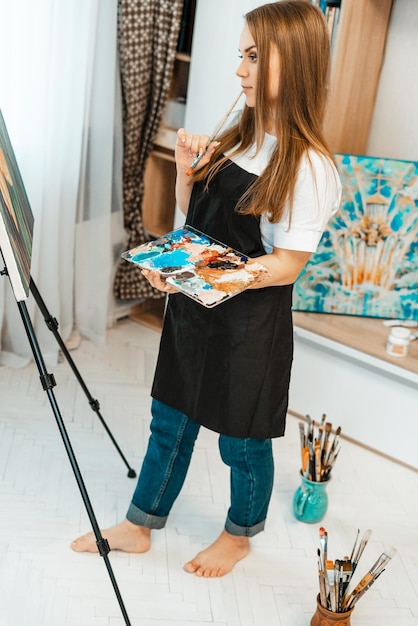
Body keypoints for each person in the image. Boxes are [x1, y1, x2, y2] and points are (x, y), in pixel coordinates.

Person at [71, 0, 341, 577]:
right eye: (240, 56)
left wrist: (208, 275)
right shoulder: (238, 137)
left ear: (290, 65)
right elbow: (196, 227)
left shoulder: (310, 167)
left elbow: (288, 264)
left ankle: (238, 536)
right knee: (169, 420)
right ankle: (141, 523)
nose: (239, 70)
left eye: (252, 56)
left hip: (250, 329)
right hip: (195, 312)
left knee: (241, 441)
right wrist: (184, 191)